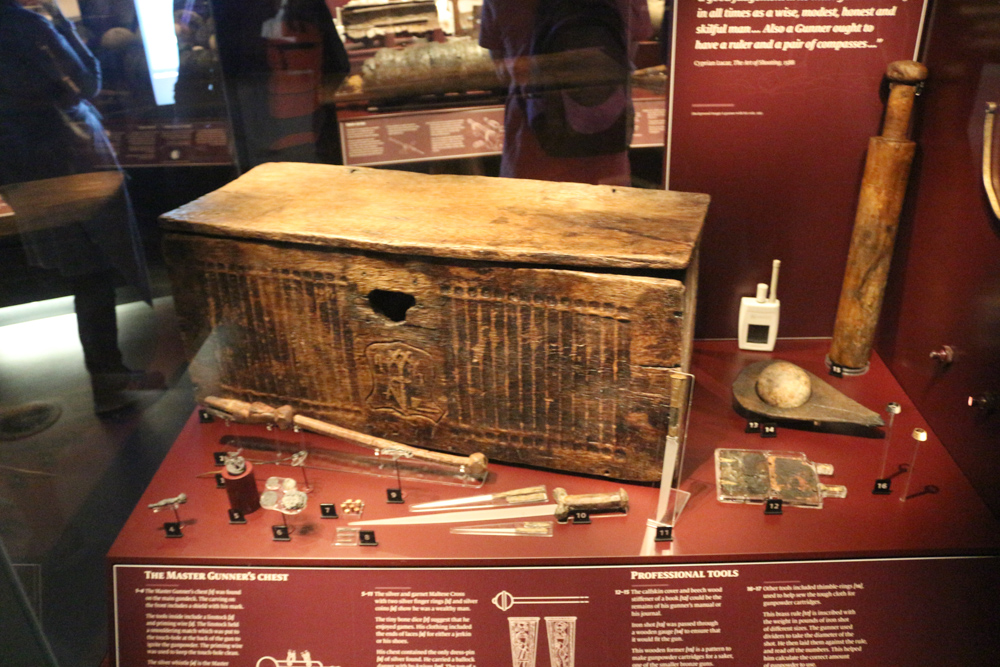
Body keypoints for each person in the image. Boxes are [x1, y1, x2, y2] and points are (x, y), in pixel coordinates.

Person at [0, 0, 163, 415]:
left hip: (24, 165)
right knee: (93, 275)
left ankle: (110, 376)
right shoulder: (27, 24)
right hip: (69, 161)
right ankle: (109, 381)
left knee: (85, 275)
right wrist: (63, 26)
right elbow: (86, 82)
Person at [479, 0, 652, 186]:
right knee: (604, 214)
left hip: (530, 150)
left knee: (528, 212)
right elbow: (628, 58)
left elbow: (502, 72)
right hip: (606, 149)